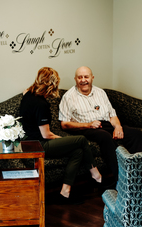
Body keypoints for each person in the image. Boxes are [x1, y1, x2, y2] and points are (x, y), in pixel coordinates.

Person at [19, 67, 103, 204]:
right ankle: (95, 173)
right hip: (40, 145)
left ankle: (65, 190)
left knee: (78, 151)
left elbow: (26, 94)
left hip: (29, 142)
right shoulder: (41, 104)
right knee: (81, 140)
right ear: (52, 85)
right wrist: (62, 139)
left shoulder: (28, 94)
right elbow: (46, 135)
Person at [59, 66, 142, 186]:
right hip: (84, 128)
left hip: (105, 124)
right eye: (80, 77)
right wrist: (88, 124)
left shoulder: (100, 92)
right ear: (75, 79)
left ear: (92, 78)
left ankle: (138, 176)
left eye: (86, 77)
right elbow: (64, 124)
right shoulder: (68, 97)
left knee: (135, 134)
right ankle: (121, 180)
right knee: (105, 136)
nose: (83, 80)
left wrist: (118, 127)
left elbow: (112, 115)